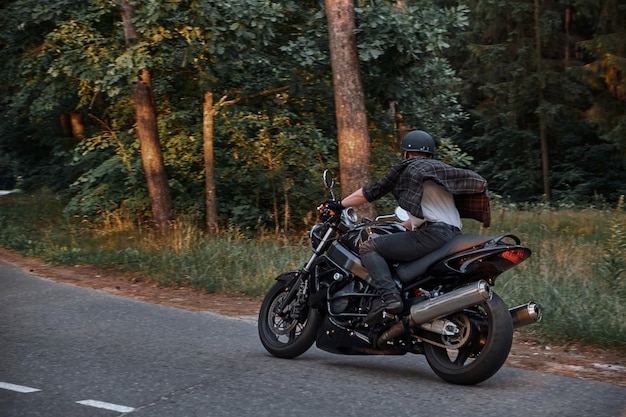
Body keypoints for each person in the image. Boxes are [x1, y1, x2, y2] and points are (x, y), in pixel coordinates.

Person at [324, 130, 491, 315]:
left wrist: (339, 204)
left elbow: (372, 191)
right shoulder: (440, 173)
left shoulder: (408, 168)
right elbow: (426, 216)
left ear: (406, 153)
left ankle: (390, 298)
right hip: (452, 235)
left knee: (369, 248)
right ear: (430, 155)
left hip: (432, 235)